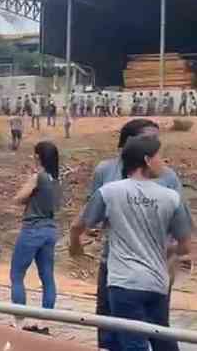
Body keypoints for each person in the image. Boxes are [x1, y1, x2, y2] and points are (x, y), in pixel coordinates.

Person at [70, 119, 185, 351]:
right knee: (108, 327)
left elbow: (178, 229)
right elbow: (92, 214)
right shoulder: (105, 171)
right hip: (113, 263)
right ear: (128, 142)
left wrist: (172, 260)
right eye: (148, 139)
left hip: (156, 265)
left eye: (156, 139)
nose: (155, 144)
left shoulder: (167, 177)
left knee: (157, 329)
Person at [8, 142, 61, 334]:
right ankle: (45, 322)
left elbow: (19, 198)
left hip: (32, 229)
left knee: (17, 275)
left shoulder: (38, 177)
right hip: (50, 230)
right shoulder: (56, 180)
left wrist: (29, 182)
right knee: (47, 276)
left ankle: (19, 321)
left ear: (38, 157)